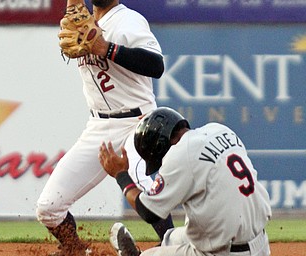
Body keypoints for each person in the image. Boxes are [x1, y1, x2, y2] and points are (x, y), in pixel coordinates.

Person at [36, 1, 174, 255]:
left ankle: (173, 244)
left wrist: (106, 48)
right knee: (48, 207)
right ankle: (78, 250)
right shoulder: (83, 23)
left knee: (142, 184)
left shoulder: (128, 20)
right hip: (98, 126)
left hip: (137, 121)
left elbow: (156, 66)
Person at [99, 107, 272, 256]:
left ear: (162, 145)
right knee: (171, 238)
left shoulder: (181, 153)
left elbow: (149, 212)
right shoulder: (219, 129)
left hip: (224, 252)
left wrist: (121, 175)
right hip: (260, 242)